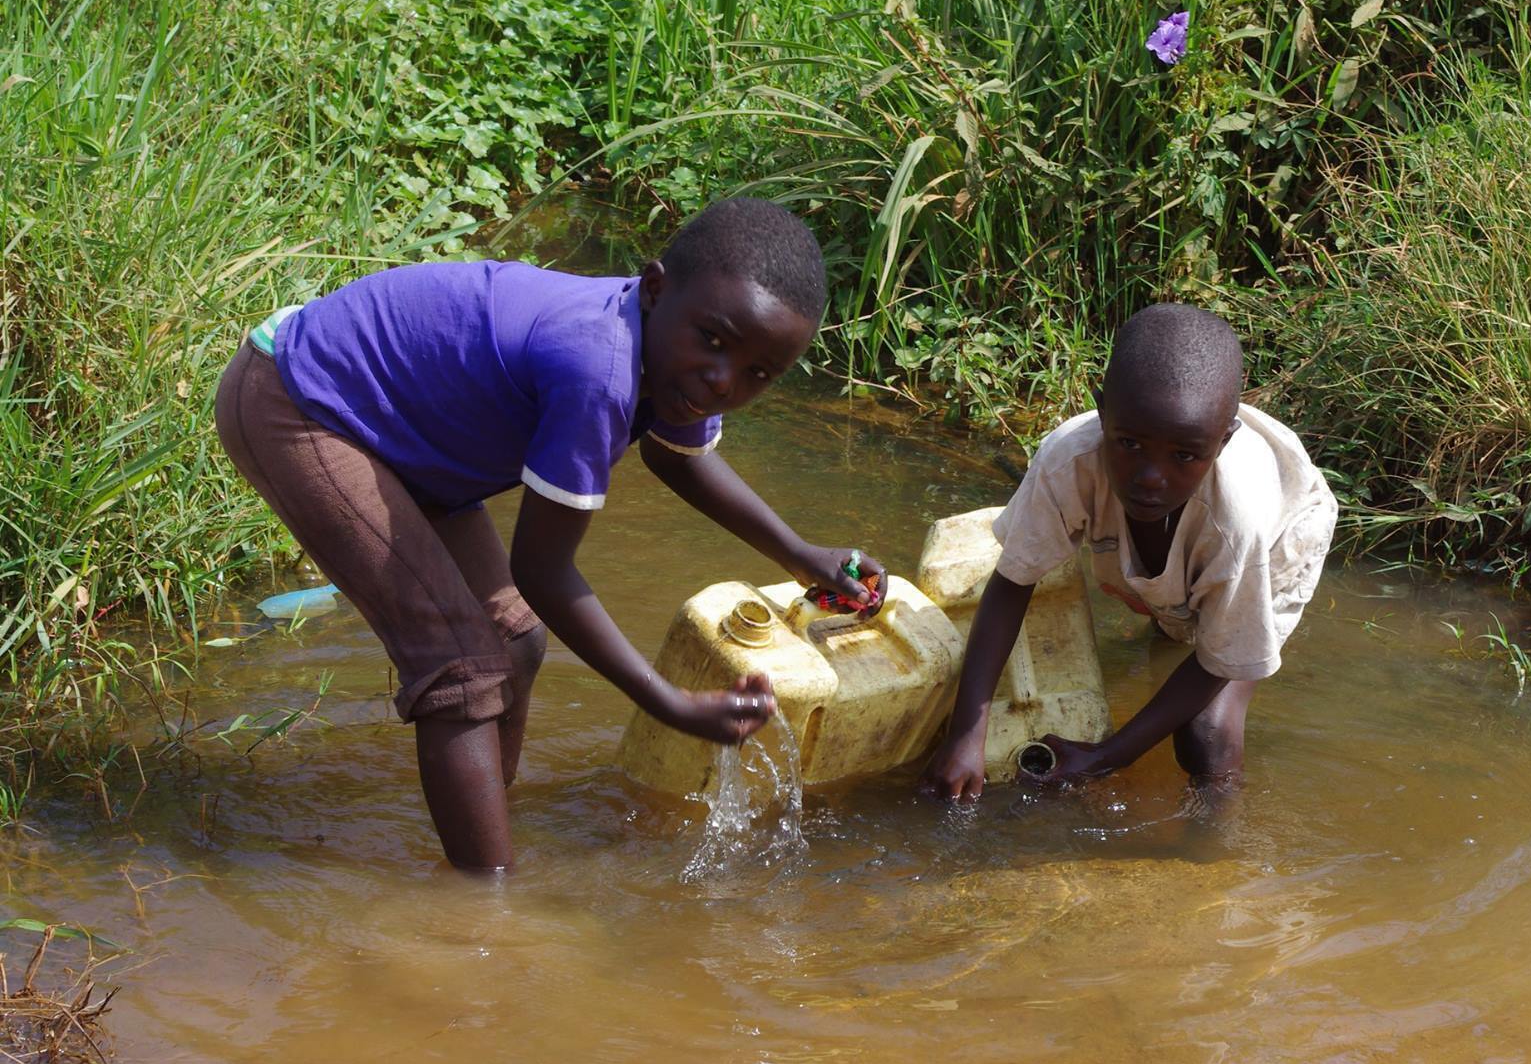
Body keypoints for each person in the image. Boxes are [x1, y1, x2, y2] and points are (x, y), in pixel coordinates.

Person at [214, 197, 885, 870]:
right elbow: (542, 569)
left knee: (514, 640)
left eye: (757, 375)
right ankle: (488, 911)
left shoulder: (663, 356)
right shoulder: (597, 368)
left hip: (403, 436)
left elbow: (679, 456)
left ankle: (483, 829)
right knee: (459, 665)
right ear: (655, 288)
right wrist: (667, 701)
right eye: (714, 341)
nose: (722, 381)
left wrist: (799, 555)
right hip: (303, 402)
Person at [920, 303, 1335, 802]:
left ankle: (1215, 849)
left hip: (1285, 533)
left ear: (1221, 443)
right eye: (1130, 444)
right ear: (1102, 413)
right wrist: (967, 735)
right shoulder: (1067, 463)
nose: (1150, 477)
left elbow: (1219, 660)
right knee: (1173, 613)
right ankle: (1170, 627)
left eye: (1184, 456)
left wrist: (1105, 757)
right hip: (1199, 544)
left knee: (1204, 735)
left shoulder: (1237, 525)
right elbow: (1012, 582)